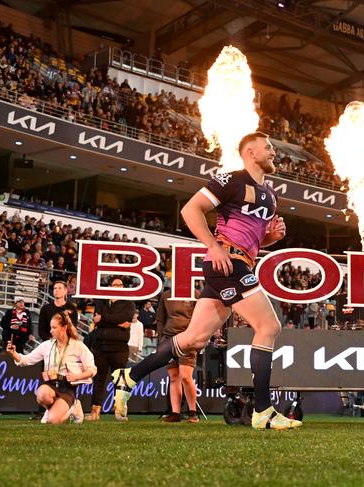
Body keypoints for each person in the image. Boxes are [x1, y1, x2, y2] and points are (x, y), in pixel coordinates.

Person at [112, 132, 301, 430]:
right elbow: (191, 209)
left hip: (237, 262)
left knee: (193, 339)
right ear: (250, 152)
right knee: (269, 326)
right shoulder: (232, 180)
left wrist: (271, 238)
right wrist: (212, 246)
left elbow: (252, 239)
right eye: (268, 148)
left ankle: (129, 375)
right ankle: (263, 411)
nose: (274, 153)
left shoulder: (270, 195)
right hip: (227, 262)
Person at [5, 312, 96, 424]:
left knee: (53, 421)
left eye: (54, 327)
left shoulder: (78, 346)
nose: (51, 331)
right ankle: (50, 409)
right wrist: (14, 353)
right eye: (50, 327)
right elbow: (26, 360)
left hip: (67, 388)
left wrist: (76, 376)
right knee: (42, 395)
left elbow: (92, 369)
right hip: (50, 384)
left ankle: (74, 407)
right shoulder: (46, 345)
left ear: (64, 328)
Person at [86, 277, 135, 421]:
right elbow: (97, 320)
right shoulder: (101, 301)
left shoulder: (129, 303)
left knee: (120, 380)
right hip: (100, 346)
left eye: (120, 285)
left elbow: (126, 320)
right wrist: (117, 322)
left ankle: (119, 411)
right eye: (114, 284)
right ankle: (95, 412)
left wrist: (104, 319)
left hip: (119, 347)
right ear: (110, 286)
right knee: (98, 380)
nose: (117, 287)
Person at [154, 287, 198, 423]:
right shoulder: (166, 295)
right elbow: (160, 319)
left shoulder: (195, 294)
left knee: (185, 376)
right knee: (174, 377)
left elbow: (200, 318)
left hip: (188, 338)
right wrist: (161, 339)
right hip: (169, 338)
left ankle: (193, 412)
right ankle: (175, 413)